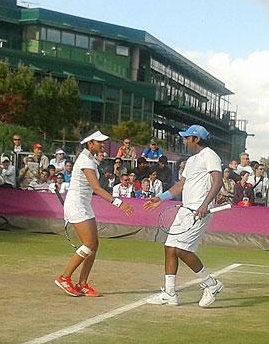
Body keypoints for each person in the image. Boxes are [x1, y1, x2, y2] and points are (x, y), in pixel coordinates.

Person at [144, 125, 224, 308]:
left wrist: (204, 205)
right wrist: (161, 198)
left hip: (198, 210)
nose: (185, 141)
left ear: (196, 139)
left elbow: (218, 181)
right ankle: (170, 294)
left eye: (187, 138)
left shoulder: (210, 155)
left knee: (181, 249)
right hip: (185, 210)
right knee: (170, 248)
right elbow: (181, 185)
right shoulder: (191, 160)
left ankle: (211, 284)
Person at [55, 130, 133, 297]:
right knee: (89, 244)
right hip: (76, 205)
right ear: (90, 144)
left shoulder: (90, 159)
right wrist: (118, 203)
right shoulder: (85, 160)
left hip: (84, 204)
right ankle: (64, 277)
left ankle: (82, 283)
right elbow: (96, 188)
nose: (102, 145)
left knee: (94, 244)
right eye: (99, 142)